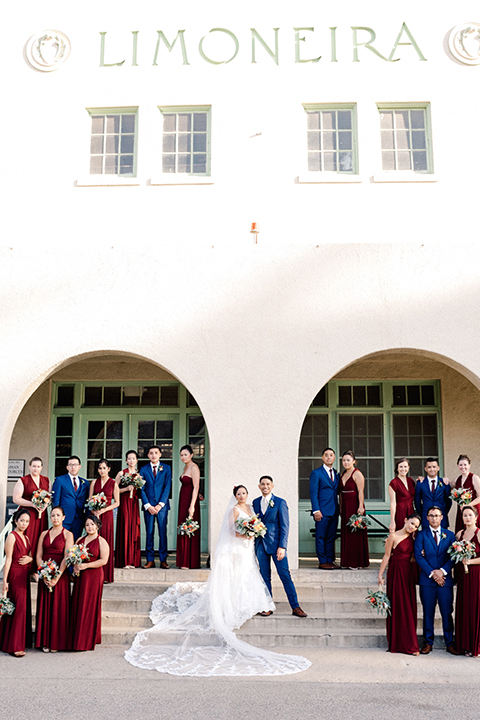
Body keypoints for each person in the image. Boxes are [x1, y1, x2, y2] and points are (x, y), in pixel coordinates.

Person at [124, 485, 311, 676]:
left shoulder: (255, 505)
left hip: (255, 546)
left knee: (269, 575)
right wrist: (249, 532)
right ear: (235, 496)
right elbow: (233, 531)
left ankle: (293, 605)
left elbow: (276, 524)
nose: (241, 496)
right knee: (254, 575)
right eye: (238, 494)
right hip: (243, 546)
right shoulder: (235, 509)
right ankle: (256, 604)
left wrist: (269, 539)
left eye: (243, 493)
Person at [252, 475, 307, 617]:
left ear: (272, 486)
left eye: (268, 484)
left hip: (277, 546)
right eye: (262, 484)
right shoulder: (255, 502)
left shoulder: (280, 502)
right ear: (259, 486)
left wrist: (282, 547)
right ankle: (267, 606)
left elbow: (285, 526)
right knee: (265, 577)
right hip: (260, 545)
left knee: (285, 575)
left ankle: (295, 607)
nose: (265, 486)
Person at [414, 505, 457, 655]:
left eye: (437, 515)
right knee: (428, 612)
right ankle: (428, 642)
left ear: (442, 517)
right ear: (427, 518)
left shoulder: (450, 535)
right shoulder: (421, 535)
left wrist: (443, 571)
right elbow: (419, 556)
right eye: (431, 515)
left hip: (445, 580)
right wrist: (433, 574)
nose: (434, 518)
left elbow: (453, 556)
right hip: (427, 580)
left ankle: (449, 643)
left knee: (447, 612)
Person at [378, 514, 421, 655]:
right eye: (412, 523)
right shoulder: (393, 537)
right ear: (405, 520)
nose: (412, 527)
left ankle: (410, 643)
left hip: (408, 574)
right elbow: (386, 556)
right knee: (398, 606)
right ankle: (398, 643)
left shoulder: (414, 539)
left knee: (408, 607)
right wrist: (380, 574)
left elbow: (415, 557)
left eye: (415, 526)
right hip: (396, 573)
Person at [35, 506, 74, 652]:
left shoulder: (68, 534)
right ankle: (44, 641)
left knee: (58, 607)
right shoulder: (44, 533)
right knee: (45, 606)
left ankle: (56, 642)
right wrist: (44, 572)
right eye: (53, 515)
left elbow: (67, 557)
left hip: (60, 575)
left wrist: (56, 576)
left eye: (58, 515)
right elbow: (38, 555)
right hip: (45, 573)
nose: (55, 518)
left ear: (63, 517)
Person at [69, 515, 110, 651]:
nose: (90, 527)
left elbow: (104, 561)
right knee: (79, 604)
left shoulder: (102, 541)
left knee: (90, 605)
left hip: (94, 576)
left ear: (97, 525)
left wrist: (87, 566)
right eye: (87, 525)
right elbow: (74, 556)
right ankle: (77, 637)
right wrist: (76, 566)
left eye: (92, 524)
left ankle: (86, 640)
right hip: (81, 576)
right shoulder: (80, 540)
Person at [0, 509, 33, 657]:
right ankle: (15, 646)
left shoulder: (27, 538)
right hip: (15, 575)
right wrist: (4, 581)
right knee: (18, 608)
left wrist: (30, 559)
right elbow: (8, 560)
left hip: (25, 576)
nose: (24, 524)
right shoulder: (12, 537)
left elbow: (30, 556)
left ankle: (10, 641)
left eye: (27, 521)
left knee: (21, 608)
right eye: (22, 520)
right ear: (15, 521)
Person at [12, 457, 50, 567]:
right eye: (33, 466)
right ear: (29, 466)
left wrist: (44, 505)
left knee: (39, 539)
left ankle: (36, 568)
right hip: (27, 514)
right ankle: (25, 566)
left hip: (41, 514)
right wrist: (33, 504)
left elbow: (49, 497)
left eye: (38, 466)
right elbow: (16, 498)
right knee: (27, 538)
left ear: (41, 467)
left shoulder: (46, 480)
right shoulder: (23, 480)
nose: (36, 469)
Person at [139, 446, 172, 569]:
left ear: (160, 454)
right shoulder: (143, 469)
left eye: (156, 453)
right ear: (148, 455)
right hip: (148, 507)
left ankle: (163, 559)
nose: (153, 455)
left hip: (162, 507)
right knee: (149, 532)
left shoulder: (167, 468)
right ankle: (150, 560)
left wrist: (160, 504)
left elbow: (167, 486)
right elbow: (141, 488)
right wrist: (147, 505)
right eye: (151, 453)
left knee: (162, 532)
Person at [454, 505, 480, 656]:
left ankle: (475, 644)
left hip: (476, 575)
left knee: (475, 608)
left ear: (476, 517)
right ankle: (464, 644)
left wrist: (470, 562)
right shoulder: (459, 534)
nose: (467, 518)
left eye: (470, 515)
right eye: (465, 515)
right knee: (464, 607)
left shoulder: (479, 533)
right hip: (463, 577)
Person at [309, 447, 340, 569]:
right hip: (321, 511)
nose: (328, 457)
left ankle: (330, 560)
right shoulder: (316, 473)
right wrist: (316, 510)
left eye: (331, 455)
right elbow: (313, 492)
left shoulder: (336, 474)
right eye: (326, 455)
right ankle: (322, 561)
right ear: (322, 457)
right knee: (321, 536)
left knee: (331, 537)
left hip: (334, 511)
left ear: (334, 458)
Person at [89, 458, 119, 583]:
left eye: (104, 468)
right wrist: (93, 510)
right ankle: (94, 574)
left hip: (106, 516)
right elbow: (89, 499)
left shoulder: (113, 484)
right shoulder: (94, 483)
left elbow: (117, 503)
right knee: (94, 542)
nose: (102, 470)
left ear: (109, 469)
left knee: (106, 541)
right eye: (100, 468)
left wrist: (104, 510)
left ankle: (106, 576)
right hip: (95, 515)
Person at [338, 451, 369, 569]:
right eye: (344, 460)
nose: (346, 462)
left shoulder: (357, 474)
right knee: (346, 533)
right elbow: (340, 492)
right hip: (345, 506)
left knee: (355, 534)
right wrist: (341, 507)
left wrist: (360, 506)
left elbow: (361, 491)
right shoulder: (342, 474)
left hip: (355, 505)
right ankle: (347, 562)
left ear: (354, 461)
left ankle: (357, 562)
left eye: (348, 460)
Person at [51, 456, 89, 541]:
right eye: (71, 465)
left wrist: (86, 517)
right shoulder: (60, 480)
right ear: (67, 467)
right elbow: (55, 500)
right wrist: (56, 517)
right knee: (62, 542)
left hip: (79, 518)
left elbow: (87, 501)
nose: (73, 467)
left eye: (75, 465)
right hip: (64, 518)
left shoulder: (85, 483)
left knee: (76, 543)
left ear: (79, 466)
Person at [115, 450, 142, 569]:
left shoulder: (139, 475)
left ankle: (133, 561)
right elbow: (114, 490)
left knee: (134, 529)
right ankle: (124, 561)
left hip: (134, 503)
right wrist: (126, 489)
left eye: (133, 458)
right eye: (129, 458)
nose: (131, 461)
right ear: (126, 460)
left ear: (136, 460)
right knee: (125, 528)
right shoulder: (121, 473)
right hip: (125, 503)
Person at [176, 444, 201, 569]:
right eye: (181, 455)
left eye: (186, 454)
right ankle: (183, 560)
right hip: (183, 500)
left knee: (188, 526)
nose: (183, 457)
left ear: (191, 455)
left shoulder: (194, 467)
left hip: (189, 502)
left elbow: (196, 487)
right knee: (182, 526)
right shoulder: (185, 467)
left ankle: (189, 561)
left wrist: (192, 506)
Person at [414, 457, 451, 530]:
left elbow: (448, 501)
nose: (432, 469)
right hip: (426, 519)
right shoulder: (420, 483)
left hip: (442, 519)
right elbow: (417, 502)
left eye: (434, 467)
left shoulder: (444, 483)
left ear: (438, 468)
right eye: (429, 467)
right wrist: (423, 514)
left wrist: (442, 512)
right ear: (426, 469)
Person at [451, 455, 480, 533]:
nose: (463, 467)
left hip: (473, 511)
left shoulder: (474, 478)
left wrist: (468, 505)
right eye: (460, 465)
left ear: (469, 465)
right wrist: (445, 479)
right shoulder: (457, 479)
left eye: (465, 465)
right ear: (458, 466)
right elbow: (447, 487)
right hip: (461, 512)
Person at [388, 458, 416, 532]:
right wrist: (392, 521)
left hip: (411, 511)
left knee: (412, 534)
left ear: (408, 468)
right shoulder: (393, 483)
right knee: (401, 534)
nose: (403, 469)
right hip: (400, 512)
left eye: (405, 467)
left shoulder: (411, 481)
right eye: (401, 467)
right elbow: (393, 503)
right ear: (397, 468)